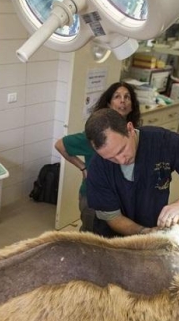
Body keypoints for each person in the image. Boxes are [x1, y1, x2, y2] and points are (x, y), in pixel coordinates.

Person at [84, 108, 179, 237]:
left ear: (130, 129)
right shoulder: (97, 167)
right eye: (111, 158)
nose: (121, 160)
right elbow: (113, 217)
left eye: (122, 150)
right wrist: (144, 232)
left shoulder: (163, 142)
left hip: (151, 233)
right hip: (112, 241)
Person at [54, 82, 141, 232]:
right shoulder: (96, 135)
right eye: (117, 97)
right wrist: (83, 167)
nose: (123, 101)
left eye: (127, 97)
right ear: (108, 103)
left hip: (120, 198)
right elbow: (61, 145)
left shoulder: (135, 133)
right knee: (91, 237)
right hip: (93, 198)